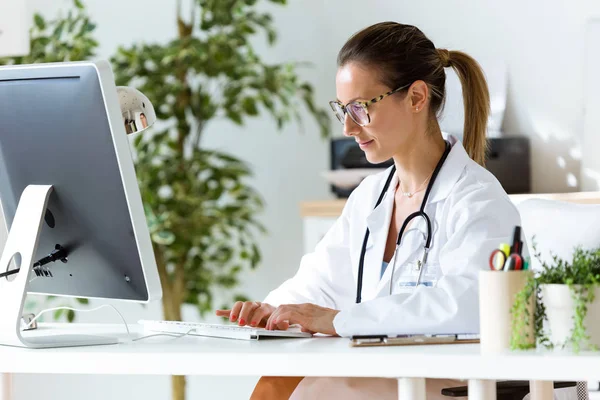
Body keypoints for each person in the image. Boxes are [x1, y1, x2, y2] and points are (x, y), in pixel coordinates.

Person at [216, 21, 521, 399]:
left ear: (416, 98)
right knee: (276, 384)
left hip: (445, 382)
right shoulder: (371, 196)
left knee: (301, 390)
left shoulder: (477, 200)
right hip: (383, 372)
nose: (347, 127)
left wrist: (340, 320)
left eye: (360, 108)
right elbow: (321, 280)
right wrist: (272, 311)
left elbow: (468, 306)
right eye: (343, 109)